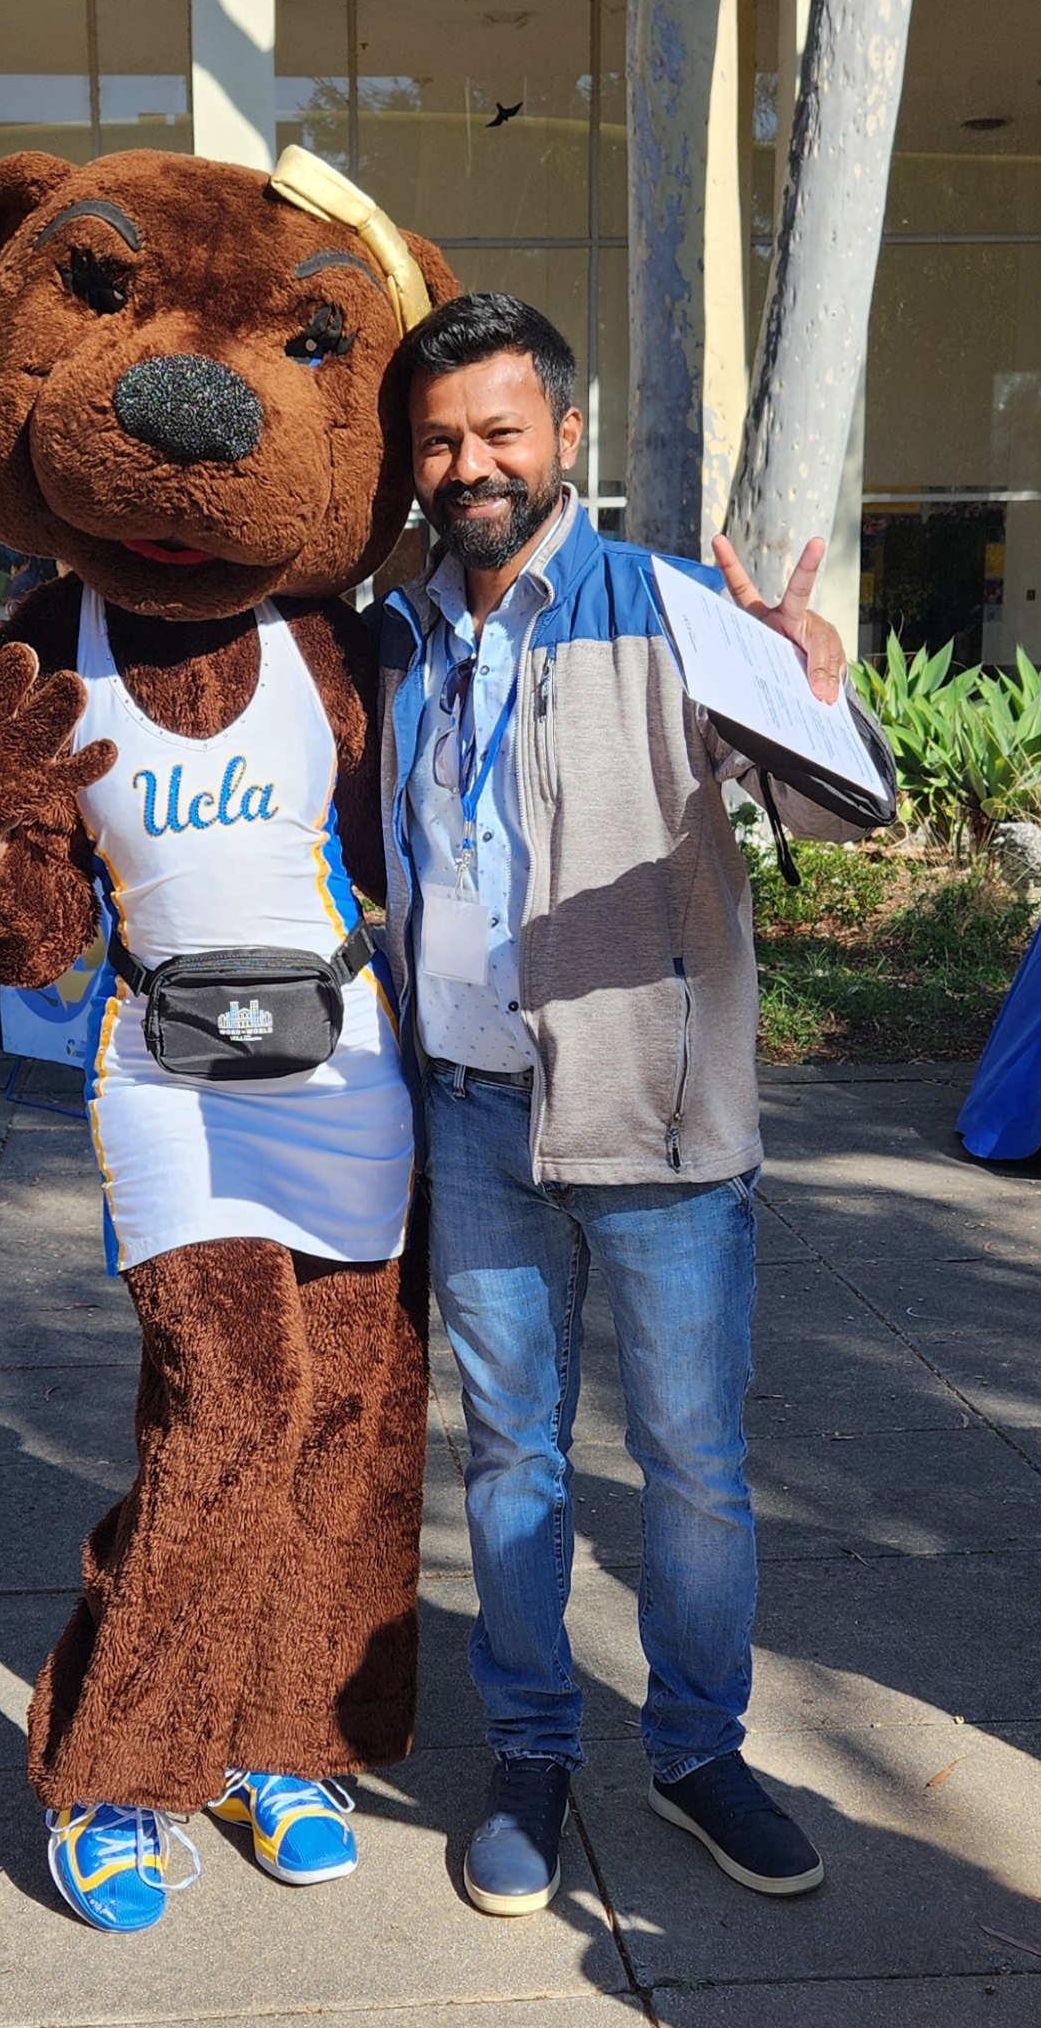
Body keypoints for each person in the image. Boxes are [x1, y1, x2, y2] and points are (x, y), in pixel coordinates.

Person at [377, 292, 895, 1915]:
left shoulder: (668, 607)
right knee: (512, 1463)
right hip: (469, 1111)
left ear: (566, 441)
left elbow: (844, 808)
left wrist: (807, 679)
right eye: (443, 438)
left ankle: (694, 1753)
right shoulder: (388, 626)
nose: (472, 464)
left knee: (691, 1465)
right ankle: (530, 1750)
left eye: (502, 431)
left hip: (659, 1117)